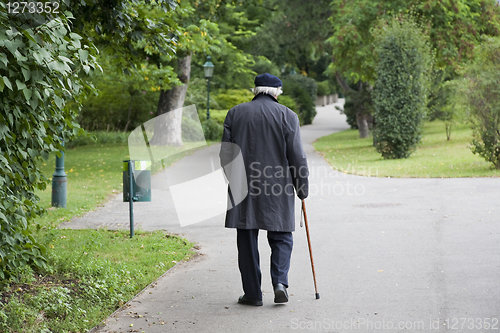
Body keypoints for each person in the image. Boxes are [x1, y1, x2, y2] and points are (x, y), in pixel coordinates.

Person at [219, 73, 309, 306]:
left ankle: (253, 294)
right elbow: (297, 156)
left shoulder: (235, 113)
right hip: (278, 185)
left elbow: (226, 155)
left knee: (246, 239)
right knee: (281, 236)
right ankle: (280, 283)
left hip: (242, 185)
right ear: (276, 91)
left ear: (256, 90)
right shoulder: (288, 115)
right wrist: (302, 187)